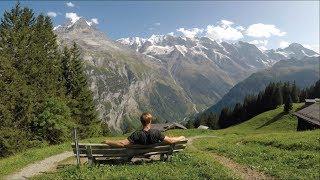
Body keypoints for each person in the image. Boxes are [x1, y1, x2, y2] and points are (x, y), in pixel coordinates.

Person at [102, 112, 186, 147]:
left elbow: (122, 144)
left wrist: (108, 141)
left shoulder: (137, 134)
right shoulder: (156, 133)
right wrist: (181, 137)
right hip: (154, 151)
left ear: (141, 122)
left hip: (138, 152)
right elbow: (170, 141)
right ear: (150, 121)